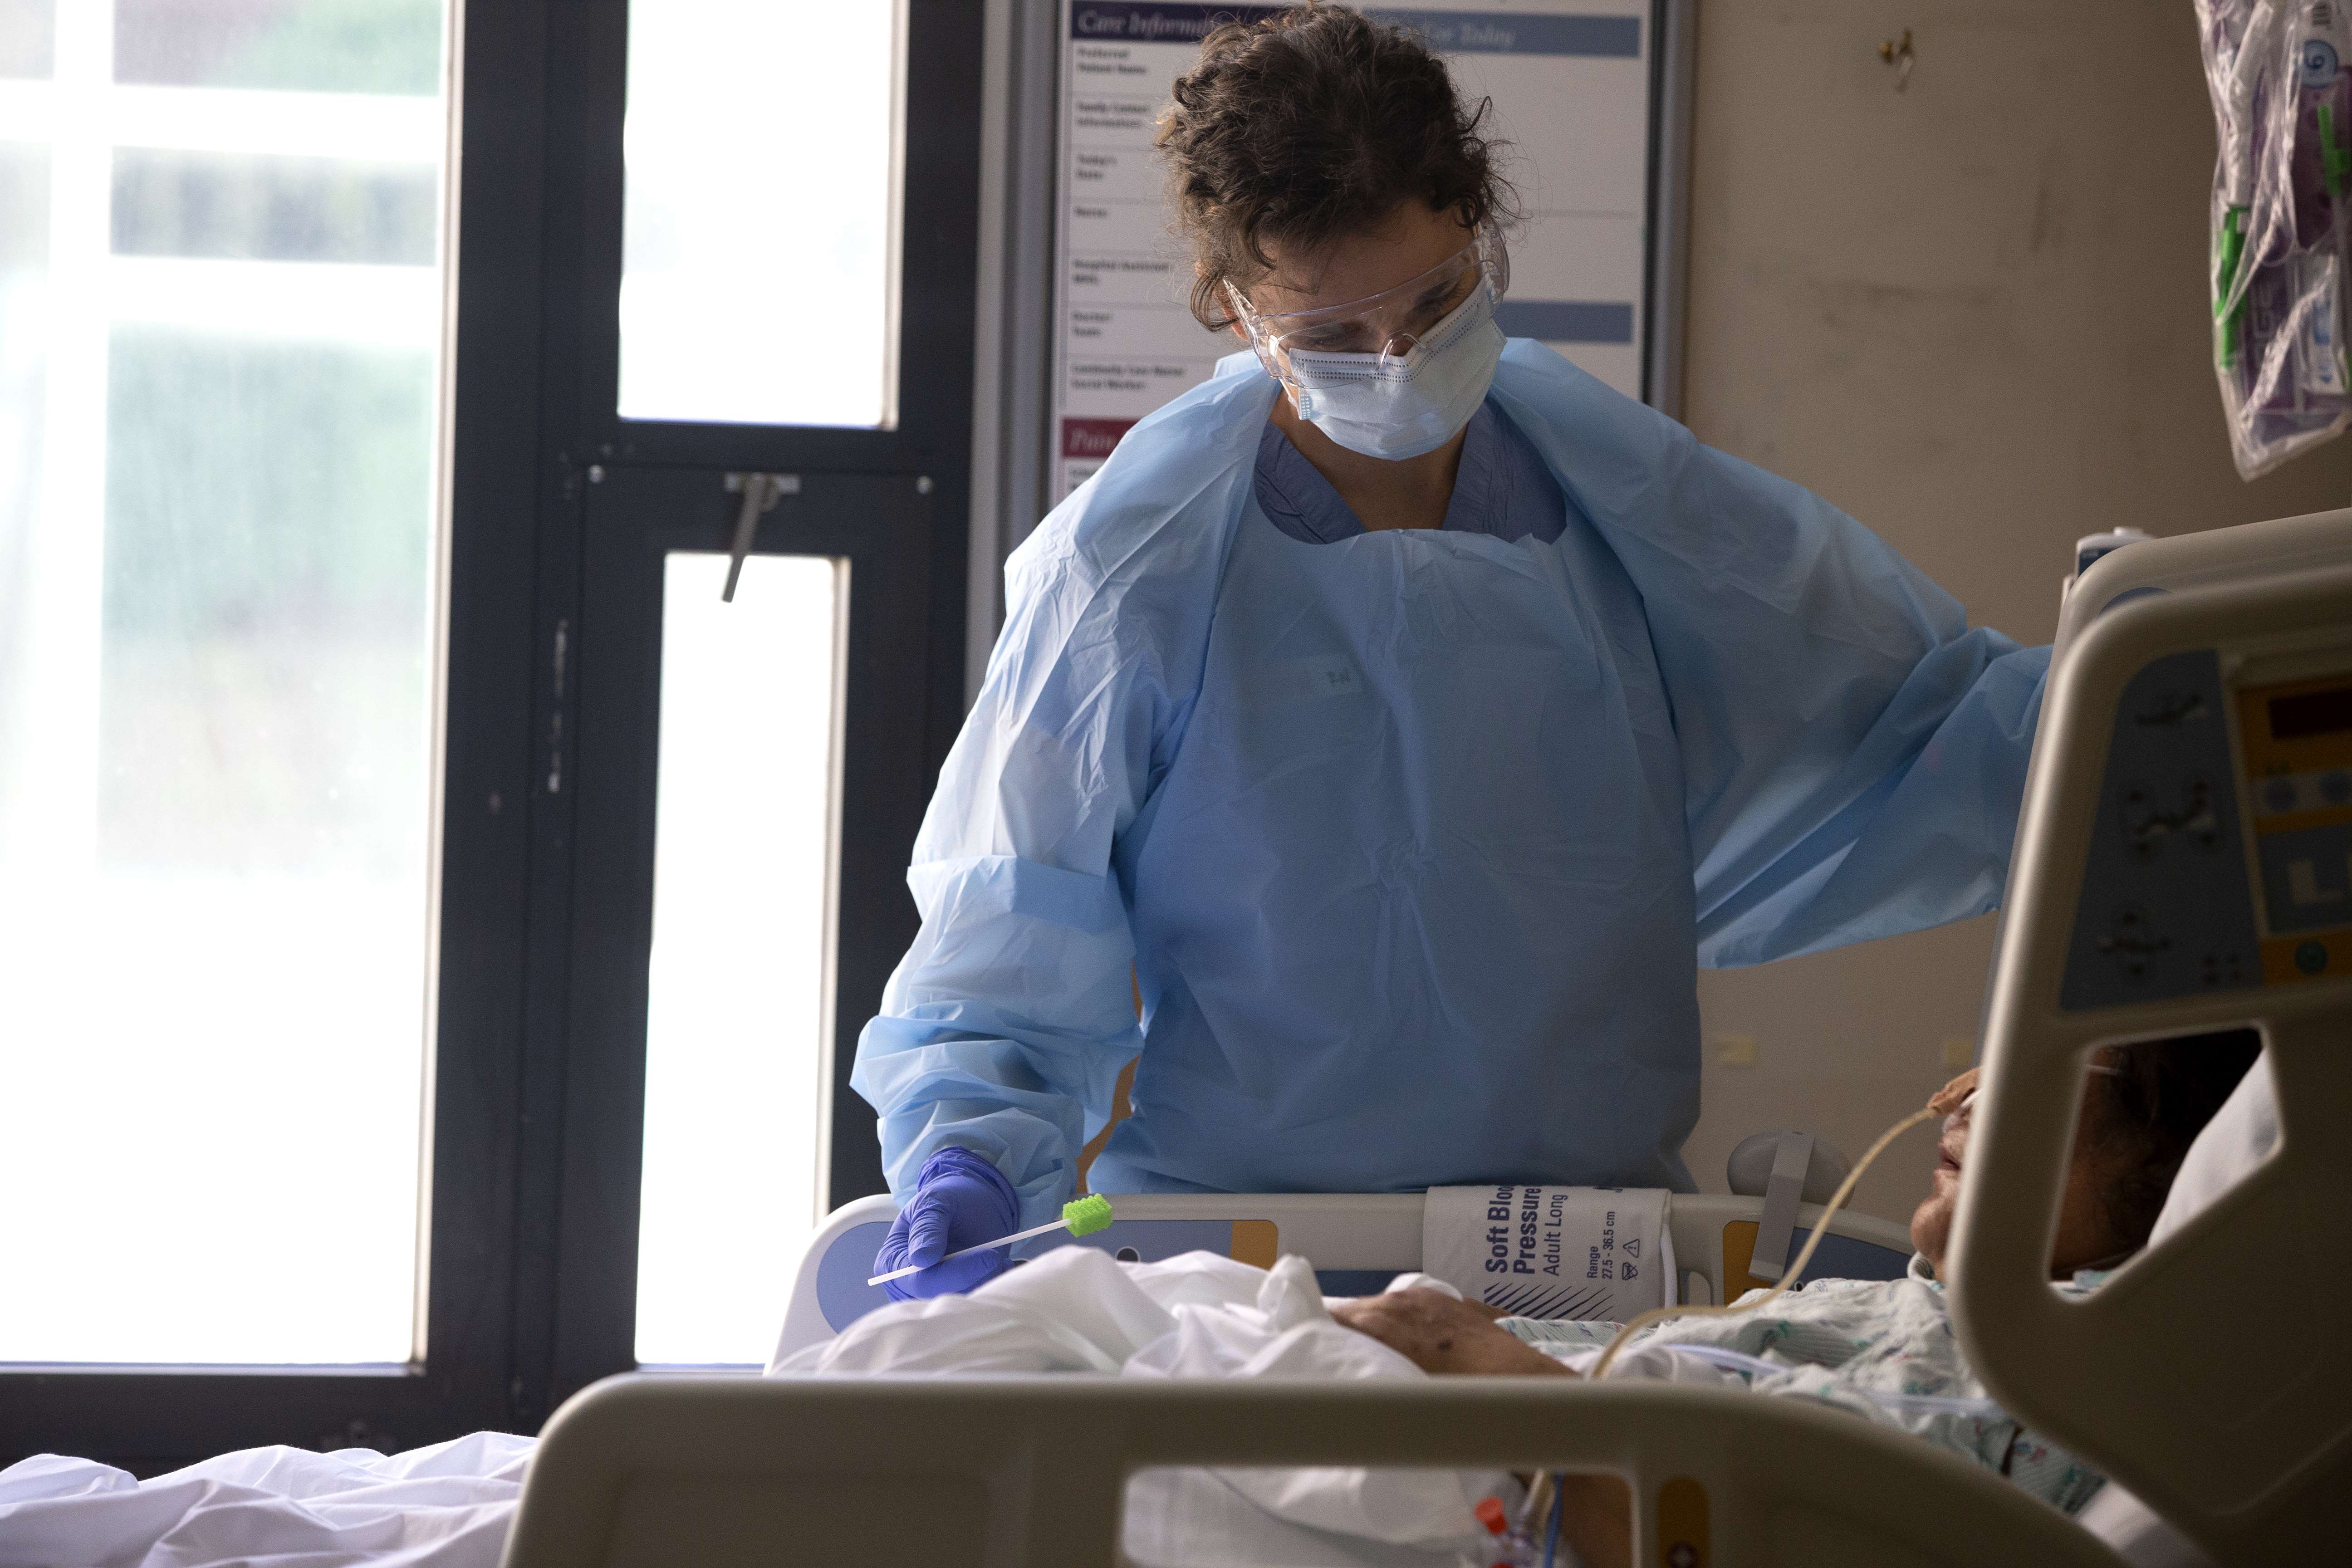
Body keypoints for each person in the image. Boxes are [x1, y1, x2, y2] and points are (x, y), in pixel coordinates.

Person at [858, 3, 2050, 1299]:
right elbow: (1012, 924)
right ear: (1233, 309)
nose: (1397, 359)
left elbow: (1929, 717)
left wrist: (2153, 712)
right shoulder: (1133, 567)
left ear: (1479, 230)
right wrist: (970, 1161)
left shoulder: (1622, 500)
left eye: (1433, 303)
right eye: (1330, 336)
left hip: (1585, 1262)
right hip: (1242, 1276)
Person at [1330, 1033, 2262, 1568]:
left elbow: (1739, 1531)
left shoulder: (2071, 1381)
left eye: (2048, 1073)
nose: (1966, 1101)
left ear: (2173, 1164)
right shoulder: (1938, 1312)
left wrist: (1476, 1361)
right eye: (1999, 1057)